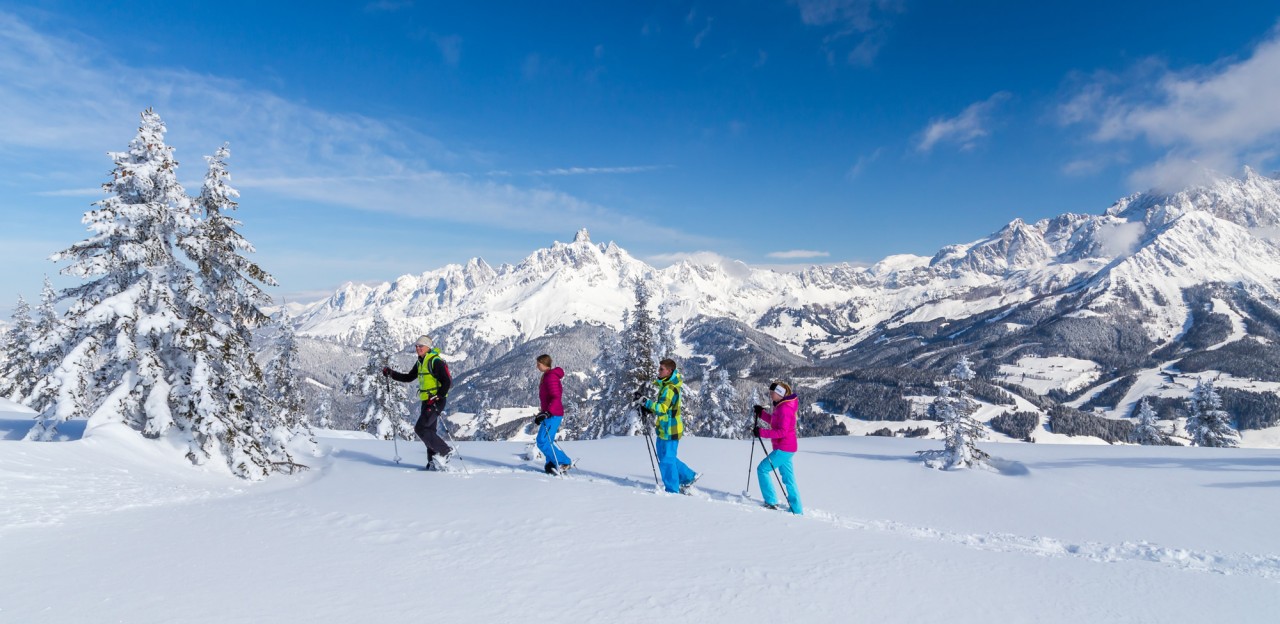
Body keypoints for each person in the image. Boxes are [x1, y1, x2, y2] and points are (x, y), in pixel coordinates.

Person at [383, 335, 454, 471]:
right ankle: (433, 462)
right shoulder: (421, 361)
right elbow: (409, 377)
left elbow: (447, 381)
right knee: (429, 430)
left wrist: (438, 396)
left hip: (436, 401)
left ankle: (445, 451)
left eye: (420, 346)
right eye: (416, 346)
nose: (417, 348)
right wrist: (391, 373)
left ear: (428, 347)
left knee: (420, 429)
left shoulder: (435, 361)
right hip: (426, 400)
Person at [643, 358, 700, 494]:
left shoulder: (669, 388)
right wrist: (649, 408)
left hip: (670, 429)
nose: (659, 371)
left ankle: (672, 490)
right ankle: (688, 476)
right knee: (666, 457)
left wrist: (647, 403)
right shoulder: (665, 385)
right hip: (665, 428)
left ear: (669, 371)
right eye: (659, 368)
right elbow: (666, 408)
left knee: (667, 460)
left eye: (661, 369)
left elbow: (662, 408)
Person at [753, 381, 803, 514]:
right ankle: (797, 509)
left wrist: (761, 432)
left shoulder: (785, 408)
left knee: (762, 469)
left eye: (772, 393)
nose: (770, 395)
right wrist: (761, 414)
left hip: (784, 448)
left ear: (779, 393)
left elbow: (782, 432)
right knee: (788, 479)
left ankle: (771, 501)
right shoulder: (781, 406)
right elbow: (775, 422)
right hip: (786, 448)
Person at [534, 354, 573, 474]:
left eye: (538, 364)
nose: (537, 366)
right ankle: (551, 463)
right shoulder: (547, 376)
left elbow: (556, 397)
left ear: (544, 364)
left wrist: (548, 412)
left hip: (553, 414)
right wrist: (543, 413)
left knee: (542, 441)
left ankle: (564, 461)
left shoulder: (550, 377)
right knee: (547, 441)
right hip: (551, 413)